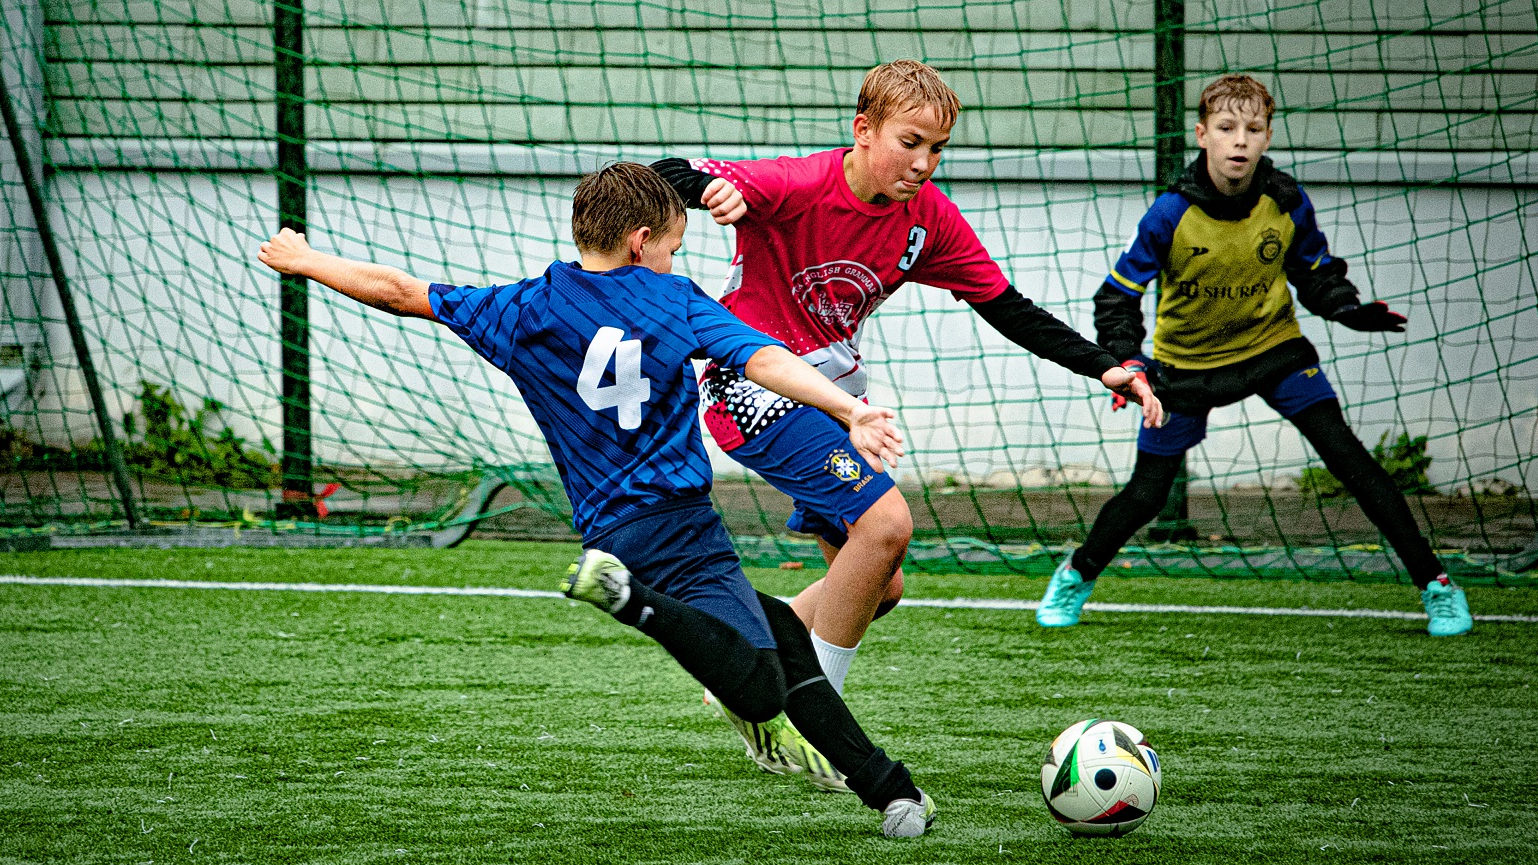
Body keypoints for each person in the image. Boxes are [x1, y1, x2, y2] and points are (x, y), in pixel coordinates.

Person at [257, 162, 938, 837]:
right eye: (674, 247)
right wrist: (848, 407)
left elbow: (400, 291)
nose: (675, 260)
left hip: (613, 531)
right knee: (759, 689)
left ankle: (890, 791)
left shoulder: (528, 307)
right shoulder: (672, 299)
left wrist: (308, 258)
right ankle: (628, 600)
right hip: (680, 531)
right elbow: (761, 359)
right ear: (642, 242)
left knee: (787, 639)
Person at [650, 59, 1163, 782]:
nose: (924, 163)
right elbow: (657, 175)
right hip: (749, 383)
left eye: (938, 148)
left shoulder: (928, 220)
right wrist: (707, 187)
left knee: (877, 587)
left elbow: (1007, 307)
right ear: (863, 132)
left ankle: (738, 665)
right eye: (910, 141)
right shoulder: (796, 184)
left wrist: (1106, 364)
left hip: (830, 392)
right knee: (887, 523)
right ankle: (812, 717)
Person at [1034, 74, 1474, 638]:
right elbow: (1116, 297)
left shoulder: (1286, 203)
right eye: (1226, 128)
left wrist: (1347, 310)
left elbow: (1315, 273)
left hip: (1274, 350)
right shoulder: (1169, 213)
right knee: (1146, 495)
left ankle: (1437, 585)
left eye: (1253, 129)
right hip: (1186, 368)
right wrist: (1130, 364)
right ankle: (1077, 573)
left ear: (1267, 137)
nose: (1239, 141)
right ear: (1202, 135)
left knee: (1350, 461)